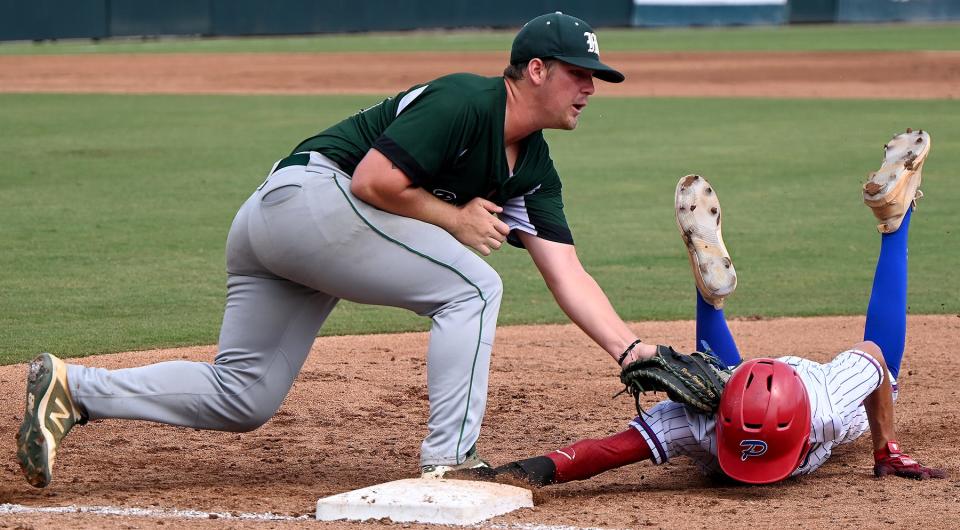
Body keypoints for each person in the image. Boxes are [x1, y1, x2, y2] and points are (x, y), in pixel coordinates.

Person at [16, 12, 676, 489]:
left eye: (594, 77)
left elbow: (567, 271)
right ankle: (450, 461)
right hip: (309, 200)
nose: (590, 87)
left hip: (290, 229)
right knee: (473, 286)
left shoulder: (532, 167)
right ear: (536, 70)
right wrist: (453, 218)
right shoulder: (465, 100)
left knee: (241, 397)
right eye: (578, 73)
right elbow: (371, 180)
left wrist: (629, 348)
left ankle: (75, 390)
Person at [452, 129, 945, 487]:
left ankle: (711, 297)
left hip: (765, 386)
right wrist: (885, 450)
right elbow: (873, 357)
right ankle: (893, 221)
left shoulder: (812, 409)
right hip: (743, 389)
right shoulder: (740, 414)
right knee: (728, 380)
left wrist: (887, 447)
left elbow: (605, 452)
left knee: (733, 377)